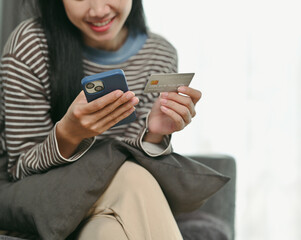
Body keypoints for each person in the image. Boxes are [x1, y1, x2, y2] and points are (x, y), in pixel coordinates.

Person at [0, 0, 201, 239]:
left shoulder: (159, 54)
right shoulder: (30, 44)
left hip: (111, 204)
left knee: (109, 232)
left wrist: (154, 133)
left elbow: (140, 166)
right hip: (38, 197)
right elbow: (20, 170)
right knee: (130, 176)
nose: (98, 11)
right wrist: (68, 135)